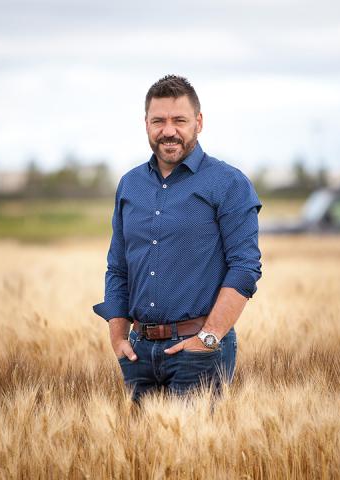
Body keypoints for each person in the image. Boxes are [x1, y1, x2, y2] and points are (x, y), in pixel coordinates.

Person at [93, 74, 262, 402]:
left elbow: (245, 268)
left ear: (198, 122)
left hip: (198, 353)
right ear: (146, 124)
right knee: (138, 454)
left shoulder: (227, 183)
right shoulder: (130, 185)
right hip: (138, 355)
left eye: (179, 120)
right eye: (158, 121)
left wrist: (208, 340)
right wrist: (118, 338)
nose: (168, 130)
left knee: (198, 454)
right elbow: (117, 267)